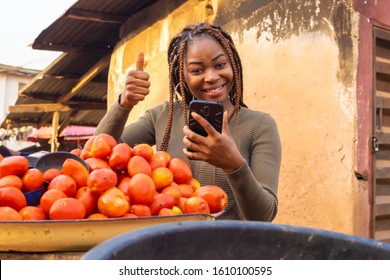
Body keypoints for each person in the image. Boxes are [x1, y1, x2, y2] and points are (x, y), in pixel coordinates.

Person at [95, 22, 281, 221]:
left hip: (233, 249)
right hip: (169, 247)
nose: (211, 77)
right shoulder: (163, 117)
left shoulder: (260, 125)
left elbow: (264, 216)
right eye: (197, 70)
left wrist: (233, 165)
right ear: (181, 76)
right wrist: (124, 103)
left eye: (220, 65)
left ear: (233, 65)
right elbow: (97, 152)